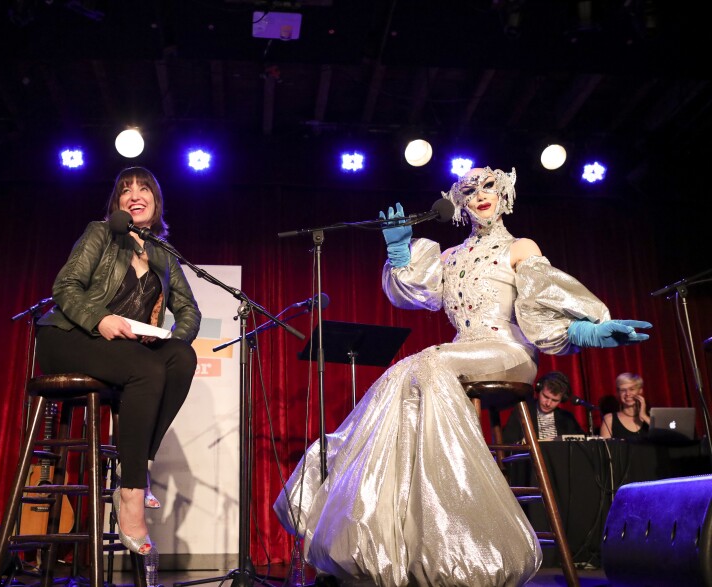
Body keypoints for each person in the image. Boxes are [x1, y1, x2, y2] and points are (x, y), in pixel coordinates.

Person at [273, 166, 651, 586]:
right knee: (404, 371)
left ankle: (464, 531)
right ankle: (393, 538)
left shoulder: (520, 247)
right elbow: (416, 293)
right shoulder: (450, 257)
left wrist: (586, 329)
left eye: (488, 186)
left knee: (429, 362)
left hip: (508, 351)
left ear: (504, 194)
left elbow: (543, 301)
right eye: (469, 190)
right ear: (459, 203)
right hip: (461, 352)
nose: (480, 195)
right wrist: (400, 253)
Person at [35, 166, 201, 556]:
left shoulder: (163, 256)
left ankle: (138, 461)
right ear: (118, 204)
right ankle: (131, 492)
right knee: (146, 368)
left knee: (181, 357)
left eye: (144, 188)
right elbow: (65, 286)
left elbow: (189, 310)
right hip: (68, 336)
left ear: (156, 203)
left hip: (123, 350)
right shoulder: (101, 233)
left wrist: (164, 338)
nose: (134, 194)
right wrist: (100, 318)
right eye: (125, 190)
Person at [502, 371, 586, 444]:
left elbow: (583, 442)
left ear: (562, 399)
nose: (548, 403)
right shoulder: (522, 411)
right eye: (545, 396)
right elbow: (508, 441)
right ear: (539, 389)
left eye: (554, 400)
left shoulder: (567, 418)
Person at [600, 372, 650, 440]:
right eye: (623, 390)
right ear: (618, 393)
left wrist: (644, 416)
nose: (627, 394)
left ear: (640, 391)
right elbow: (605, 448)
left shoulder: (652, 417)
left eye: (632, 389)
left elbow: (666, 437)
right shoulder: (609, 419)